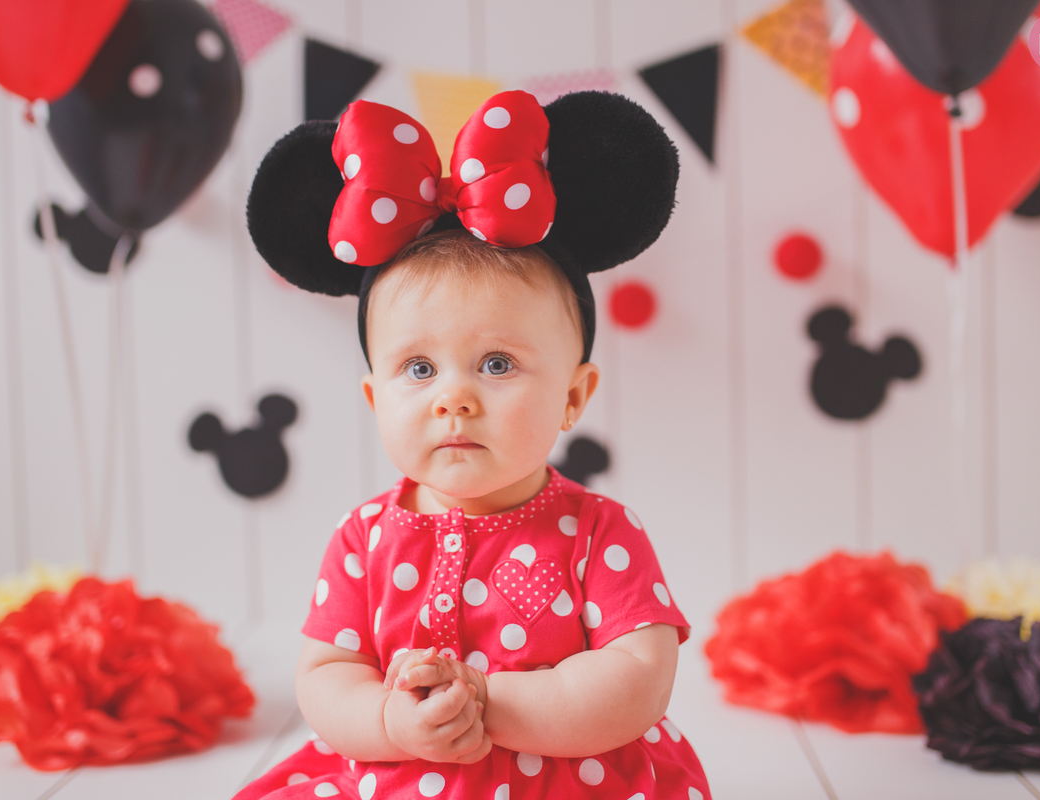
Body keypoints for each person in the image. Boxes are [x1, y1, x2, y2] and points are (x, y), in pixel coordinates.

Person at [234, 89, 711, 800]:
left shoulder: (597, 533)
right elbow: (328, 679)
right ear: (374, 398)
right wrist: (393, 723)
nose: (452, 398)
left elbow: (638, 677)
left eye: (497, 365)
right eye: (418, 370)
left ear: (574, 397)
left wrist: (486, 703)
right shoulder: (363, 538)